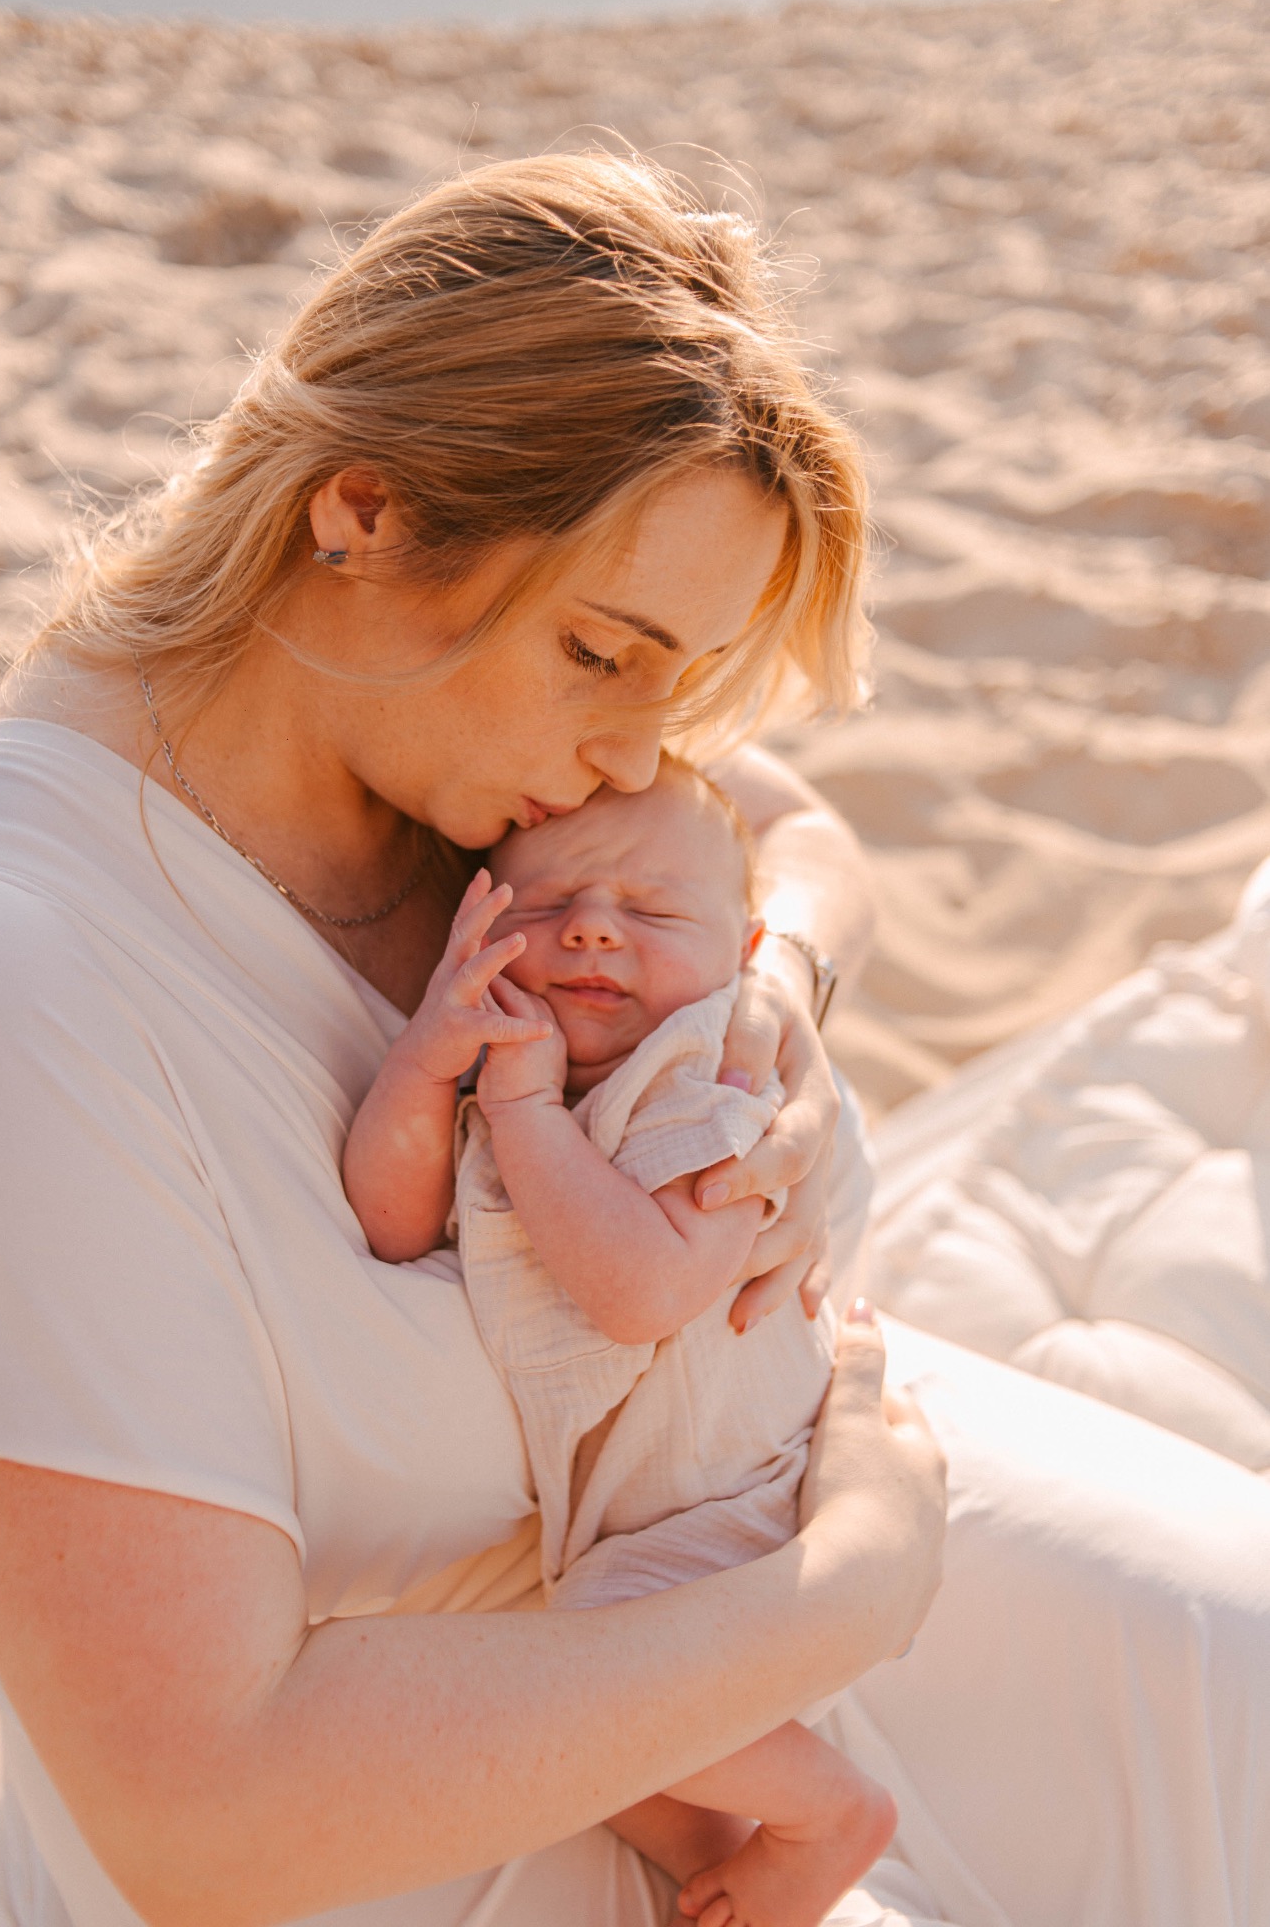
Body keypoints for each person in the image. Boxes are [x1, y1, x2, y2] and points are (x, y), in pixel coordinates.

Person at [0, 151, 1265, 1927]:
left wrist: (775, 996)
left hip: (753, 1460)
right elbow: (199, 1813)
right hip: (483, 1799)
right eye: (607, 656)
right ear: (362, 511)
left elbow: (802, 841)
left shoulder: (437, 746)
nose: (639, 754)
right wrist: (847, 1592)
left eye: (675, 683)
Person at [348, 759, 895, 1927]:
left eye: (651, 911)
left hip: (736, 1503)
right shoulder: (507, 1063)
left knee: (594, 1671)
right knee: (608, 1746)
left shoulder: (709, 1075)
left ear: (746, 954)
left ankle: (829, 1809)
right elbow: (390, 1218)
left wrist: (525, 1112)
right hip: (638, 1520)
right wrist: (425, 1061)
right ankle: (721, 1849)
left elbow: (643, 1289)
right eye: (547, 906)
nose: (594, 927)